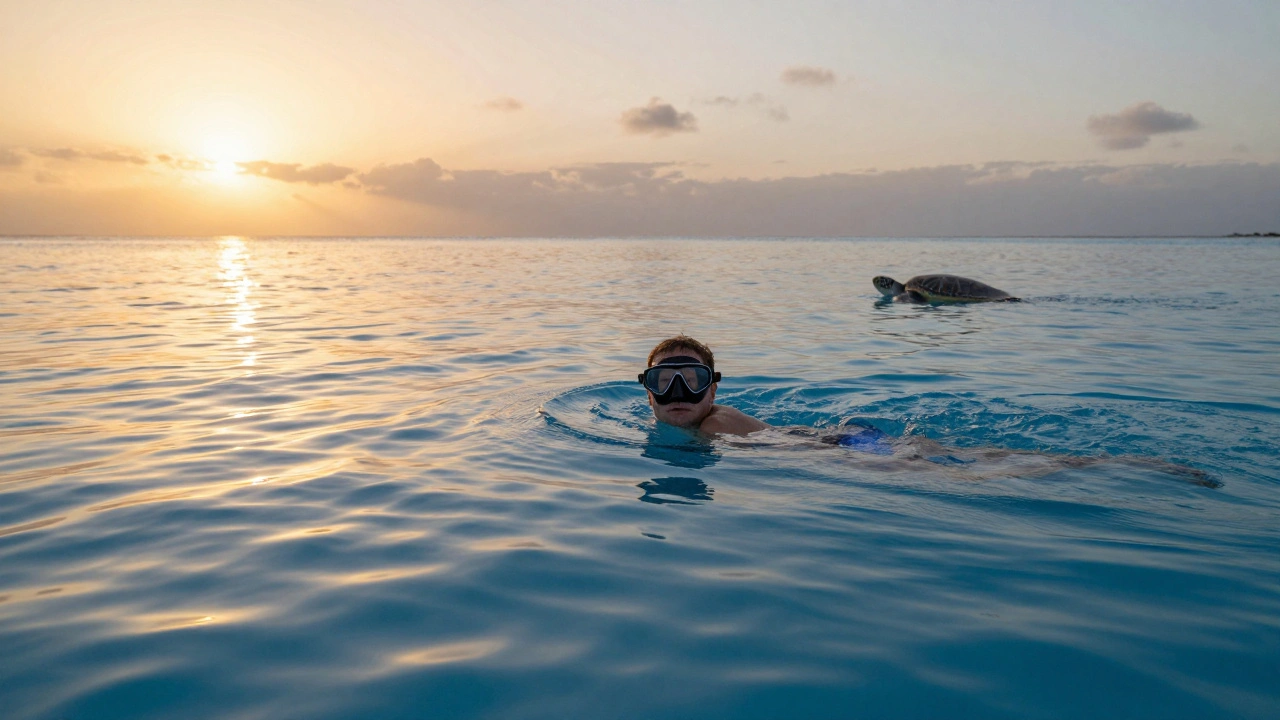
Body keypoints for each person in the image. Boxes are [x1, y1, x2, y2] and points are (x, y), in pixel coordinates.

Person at [639, 335, 770, 436]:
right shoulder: (646, 424)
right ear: (649, 395)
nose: (678, 394)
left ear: (712, 392)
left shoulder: (715, 426)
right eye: (665, 381)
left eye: (689, 381)